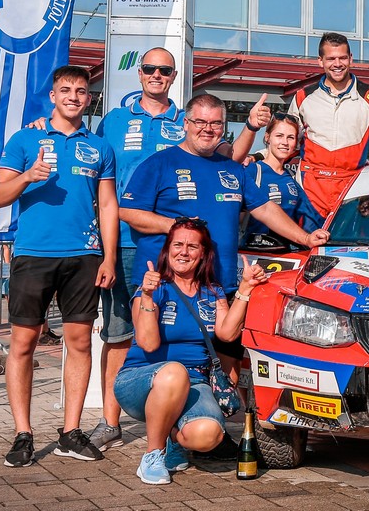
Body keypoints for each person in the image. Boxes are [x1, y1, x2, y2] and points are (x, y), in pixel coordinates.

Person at [121, 94, 329, 396]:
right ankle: (154, 421)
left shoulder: (233, 170)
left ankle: (211, 422)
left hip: (219, 285)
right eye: (200, 122)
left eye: (216, 123)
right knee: (163, 364)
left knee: (226, 368)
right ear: (185, 123)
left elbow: (264, 208)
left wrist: (305, 238)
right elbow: (128, 212)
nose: (208, 129)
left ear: (224, 127)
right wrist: (178, 226)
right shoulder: (159, 163)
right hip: (167, 284)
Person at [0, 65, 119, 468]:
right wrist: (28, 176)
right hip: (33, 254)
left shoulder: (99, 147)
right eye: (65, 90)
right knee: (23, 344)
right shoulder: (25, 139)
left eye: (81, 91)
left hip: (84, 256)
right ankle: (22, 434)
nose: (73, 97)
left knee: (79, 342)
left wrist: (110, 257)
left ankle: (70, 432)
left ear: (89, 98)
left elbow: (108, 205)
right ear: (53, 95)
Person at [115, 218, 269, 485]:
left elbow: (227, 334)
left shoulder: (213, 291)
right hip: (141, 381)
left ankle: (172, 438)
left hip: (195, 382)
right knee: (174, 372)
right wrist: (148, 296)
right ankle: (153, 455)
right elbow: (148, 343)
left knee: (209, 435)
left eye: (192, 247)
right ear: (167, 249)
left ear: (203, 254)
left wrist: (245, 289)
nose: (183, 252)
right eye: (177, 245)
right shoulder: (152, 288)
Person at [88, 48, 185, 452]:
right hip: (123, 244)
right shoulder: (113, 120)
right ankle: (110, 422)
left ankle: (170, 424)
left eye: (164, 70)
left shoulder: (186, 122)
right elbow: (93, 172)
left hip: (172, 248)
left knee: (169, 331)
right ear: (140, 73)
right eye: (149, 68)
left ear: (174, 76)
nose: (156, 75)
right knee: (118, 334)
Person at [233, 32, 369, 217]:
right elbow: (288, 140)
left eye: (342, 58)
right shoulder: (303, 96)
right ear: (320, 61)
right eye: (331, 59)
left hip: (351, 187)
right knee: (305, 236)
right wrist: (258, 156)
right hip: (310, 188)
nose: (337, 64)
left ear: (351, 58)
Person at [240, 113, 324, 246]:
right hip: (252, 252)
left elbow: (310, 219)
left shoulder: (292, 178)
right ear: (267, 137)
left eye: (290, 137)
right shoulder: (252, 170)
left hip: (285, 253)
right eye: (279, 136)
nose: (285, 142)